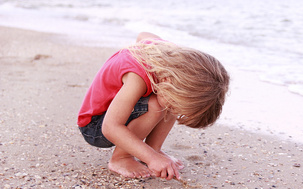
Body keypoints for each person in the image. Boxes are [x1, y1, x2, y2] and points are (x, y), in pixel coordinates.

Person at [77, 32, 229, 180]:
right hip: (95, 126)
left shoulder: (166, 53)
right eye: (176, 108)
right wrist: (151, 159)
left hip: (116, 116)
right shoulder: (137, 78)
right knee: (158, 105)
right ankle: (121, 157)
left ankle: (154, 148)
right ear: (171, 80)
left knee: (168, 101)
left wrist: (152, 155)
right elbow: (110, 127)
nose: (174, 112)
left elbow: (143, 35)